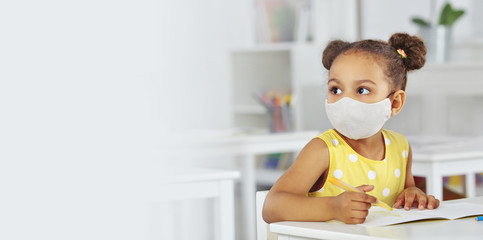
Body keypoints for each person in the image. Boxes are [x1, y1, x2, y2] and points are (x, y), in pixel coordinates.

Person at [262, 33, 440, 225]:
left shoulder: (400, 147)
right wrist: (333, 207)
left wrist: (412, 195)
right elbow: (272, 206)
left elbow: (405, 195)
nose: (345, 101)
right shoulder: (323, 150)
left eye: (362, 90)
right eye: (335, 90)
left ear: (395, 102)